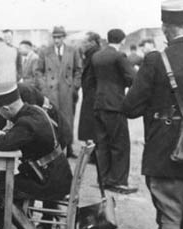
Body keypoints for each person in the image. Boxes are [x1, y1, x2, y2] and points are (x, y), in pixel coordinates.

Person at [122, 0, 183, 229]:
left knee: (171, 219)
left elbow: (130, 108)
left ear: (165, 29)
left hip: (166, 153)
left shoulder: (155, 61)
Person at [0, 82, 72, 229]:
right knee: (8, 187)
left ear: (7, 108)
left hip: (49, 180)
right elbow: (13, 138)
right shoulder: (34, 110)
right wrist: (6, 136)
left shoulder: (26, 122)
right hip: (53, 173)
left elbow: (6, 144)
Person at [92, 29, 136, 194]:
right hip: (115, 104)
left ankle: (103, 179)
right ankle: (118, 181)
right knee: (120, 144)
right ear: (122, 40)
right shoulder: (119, 56)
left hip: (99, 104)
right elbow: (133, 78)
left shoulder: (97, 56)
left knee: (102, 144)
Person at [36, 26, 82, 158]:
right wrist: (43, 88)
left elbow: (78, 70)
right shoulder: (45, 51)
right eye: (54, 37)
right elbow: (38, 71)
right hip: (51, 91)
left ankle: (69, 147)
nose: (56, 40)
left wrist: (74, 86)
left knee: (68, 119)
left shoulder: (72, 51)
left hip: (67, 91)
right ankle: (54, 148)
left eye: (59, 37)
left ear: (64, 37)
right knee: (52, 119)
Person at [77, 32, 101, 167]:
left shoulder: (94, 55)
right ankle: (94, 153)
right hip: (90, 93)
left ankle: (96, 154)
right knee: (91, 125)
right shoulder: (90, 54)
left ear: (92, 42)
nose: (83, 44)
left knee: (93, 125)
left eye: (85, 42)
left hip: (93, 94)